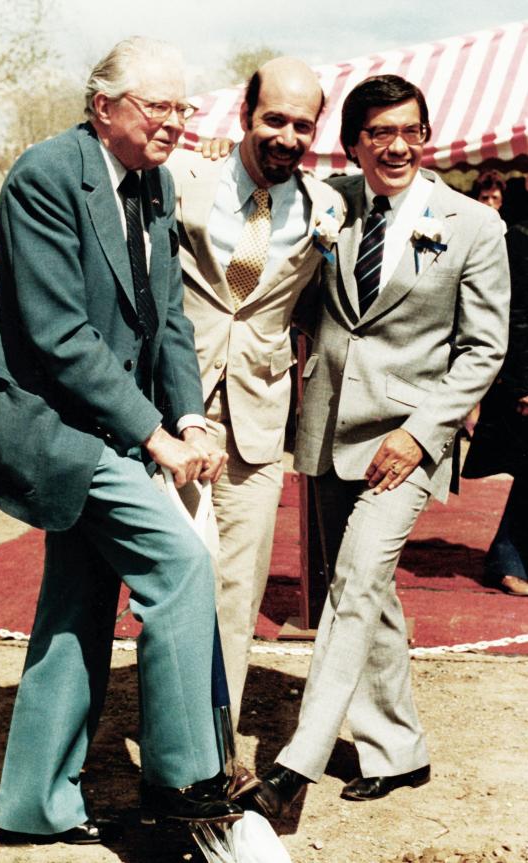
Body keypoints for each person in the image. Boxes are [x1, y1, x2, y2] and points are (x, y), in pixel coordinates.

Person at [0, 36, 242, 846]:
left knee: (77, 610)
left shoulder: (153, 184)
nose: (174, 122)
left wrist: (191, 412)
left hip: (114, 431)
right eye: (156, 106)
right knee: (182, 567)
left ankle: (33, 804)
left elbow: (168, 323)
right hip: (57, 432)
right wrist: (156, 434)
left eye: (182, 107)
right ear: (104, 107)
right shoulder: (45, 175)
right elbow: (59, 338)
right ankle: (184, 781)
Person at [246, 74, 509, 817]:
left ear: (427, 138)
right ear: (354, 142)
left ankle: (295, 766)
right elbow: (273, 273)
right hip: (326, 432)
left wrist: (422, 432)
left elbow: (482, 350)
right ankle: (400, 750)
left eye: (412, 132)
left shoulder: (472, 226)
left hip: (407, 442)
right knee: (365, 593)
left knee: (357, 584)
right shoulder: (329, 206)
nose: (398, 146)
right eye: (380, 133)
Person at [167, 57, 344, 729]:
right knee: (174, 581)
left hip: (261, 420)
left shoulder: (325, 204)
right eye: (274, 119)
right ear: (245, 115)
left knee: (237, 591)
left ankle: (212, 749)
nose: (287, 136)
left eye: (302, 125)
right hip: (176, 408)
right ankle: (166, 737)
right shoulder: (185, 176)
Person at [462, 219, 528, 596]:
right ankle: (507, 557)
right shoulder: (519, 237)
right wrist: (522, 384)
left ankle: (509, 555)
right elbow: (515, 314)